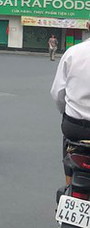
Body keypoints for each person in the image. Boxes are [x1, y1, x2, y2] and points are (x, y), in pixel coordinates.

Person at [51, 31, 90, 185]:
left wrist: (66, 112)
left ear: (88, 25)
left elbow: (57, 92)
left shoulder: (73, 53)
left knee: (69, 149)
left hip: (74, 126)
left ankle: (69, 188)